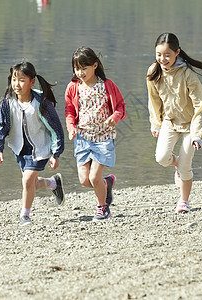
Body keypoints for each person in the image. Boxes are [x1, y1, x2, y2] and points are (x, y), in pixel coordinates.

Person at [0, 62, 65, 226]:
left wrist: (56, 153)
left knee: (26, 181)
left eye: (22, 80)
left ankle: (24, 216)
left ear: (32, 81)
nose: (16, 84)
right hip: (20, 148)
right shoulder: (7, 101)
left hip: (40, 147)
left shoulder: (41, 102)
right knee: (31, 182)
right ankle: (53, 183)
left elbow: (56, 128)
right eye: (14, 79)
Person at [146, 33, 202, 213]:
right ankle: (177, 165)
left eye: (167, 55)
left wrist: (198, 134)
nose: (162, 59)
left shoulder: (187, 74)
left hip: (191, 124)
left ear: (177, 53)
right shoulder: (153, 71)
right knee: (161, 158)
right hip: (170, 121)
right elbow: (154, 100)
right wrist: (156, 123)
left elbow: (201, 103)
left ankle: (184, 201)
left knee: (185, 165)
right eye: (159, 54)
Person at [65, 47, 126, 221]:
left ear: (95, 65)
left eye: (84, 68)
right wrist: (71, 128)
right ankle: (106, 184)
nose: (80, 72)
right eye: (77, 69)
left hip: (103, 138)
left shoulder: (106, 85)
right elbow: (69, 111)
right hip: (83, 139)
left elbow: (121, 106)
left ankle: (102, 208)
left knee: (94, 176)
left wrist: (115, 117)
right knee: (85, 180)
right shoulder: (73, 87)